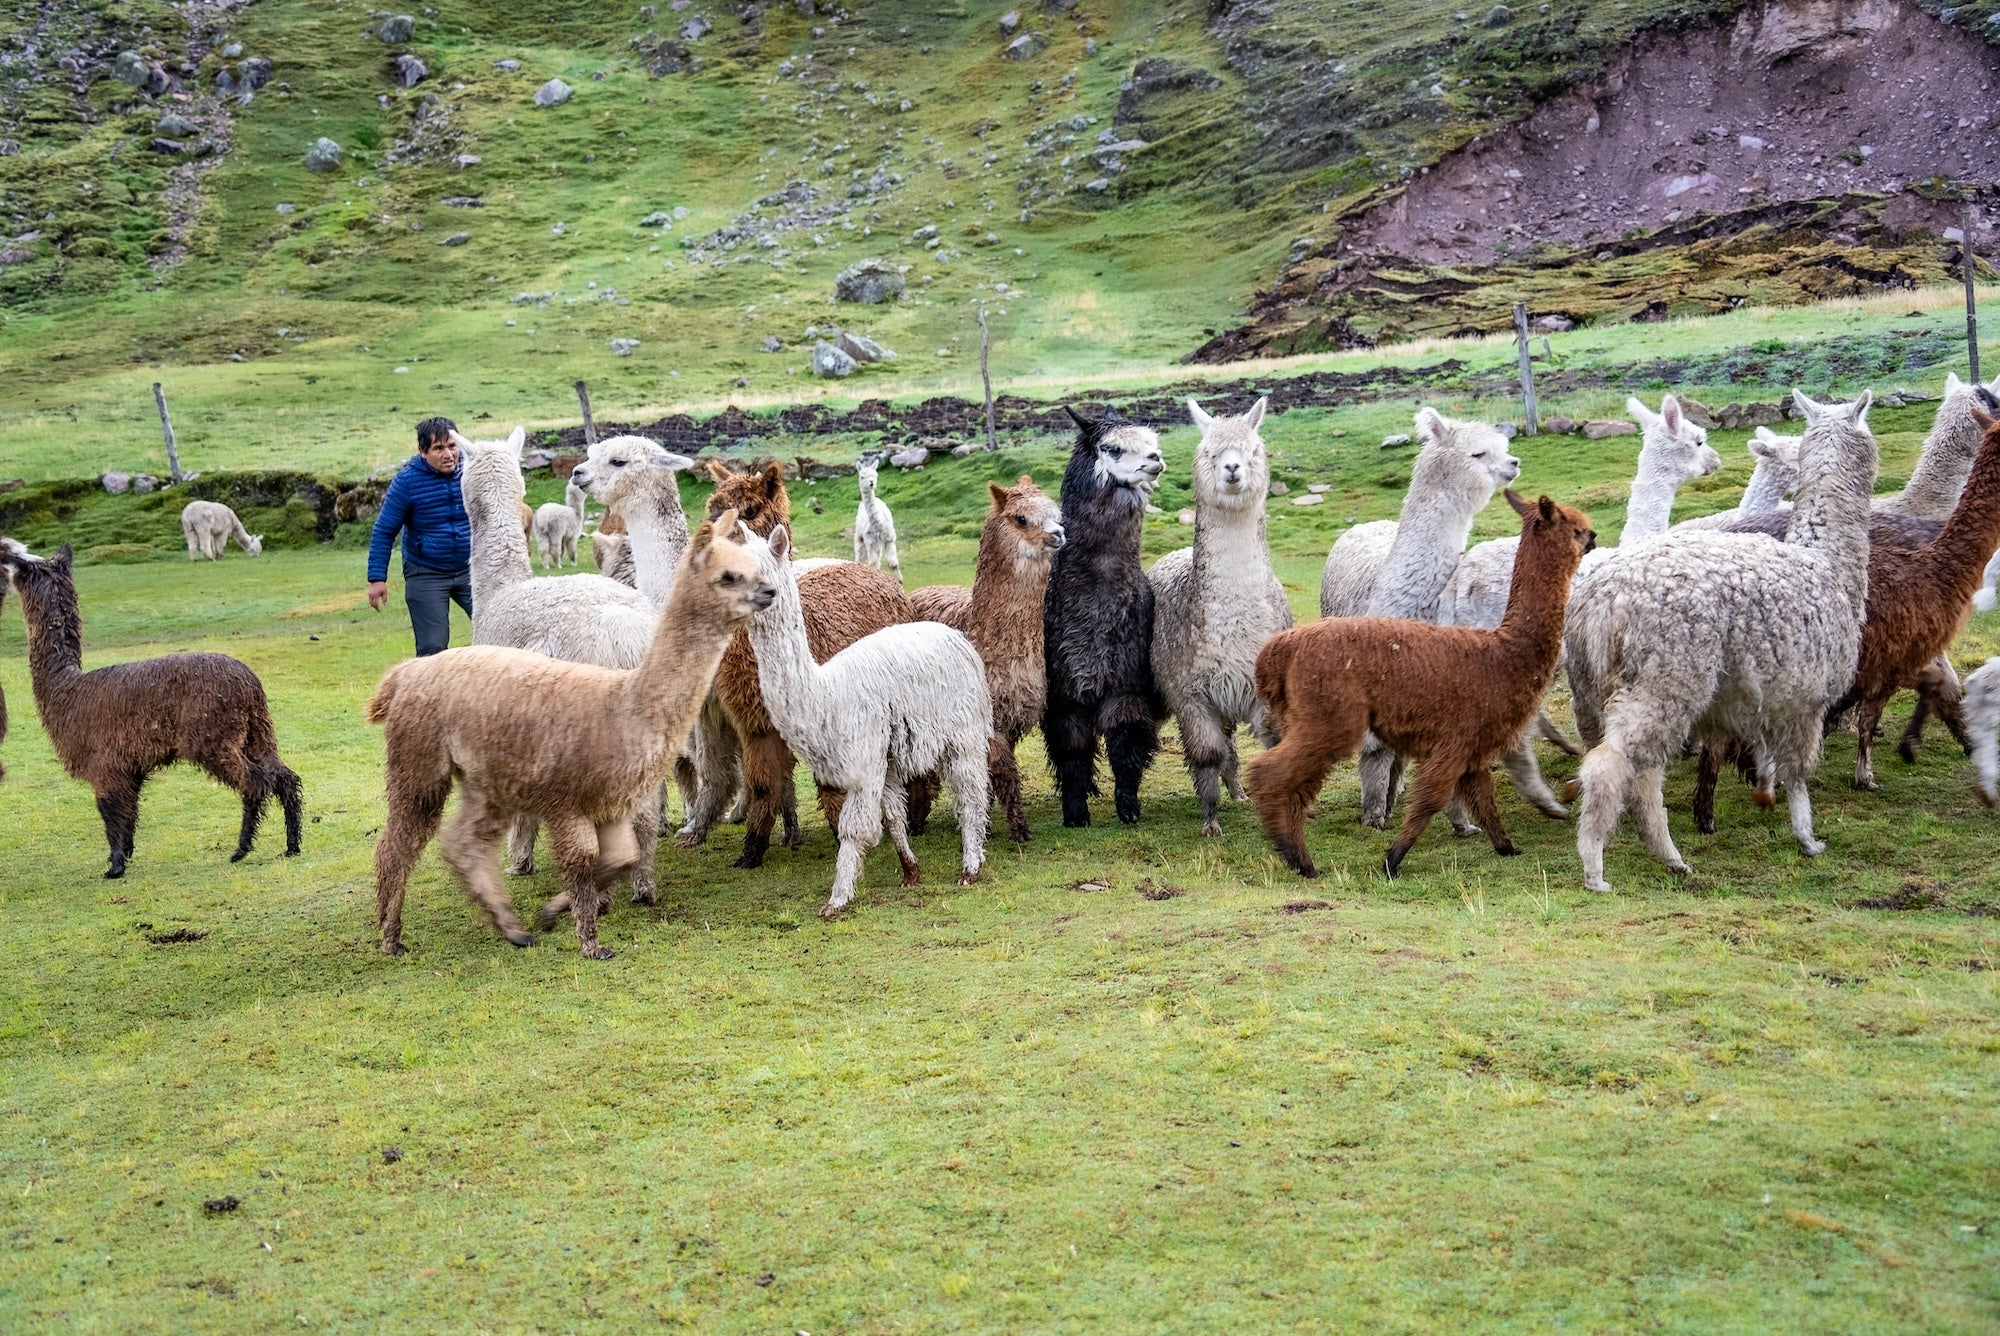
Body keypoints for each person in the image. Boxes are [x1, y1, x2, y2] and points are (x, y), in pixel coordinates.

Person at [366, 417, 473, 656]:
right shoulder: (407, 483)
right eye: (439, 448)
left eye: (452, 446)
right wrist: (377, 579)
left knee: (501, 631)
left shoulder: (472, 471)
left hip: (472, 570)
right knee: (432, 647)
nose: (449, 454)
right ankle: (428, 693)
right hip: (427, 572)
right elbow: (384, 531)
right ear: (423, 452)